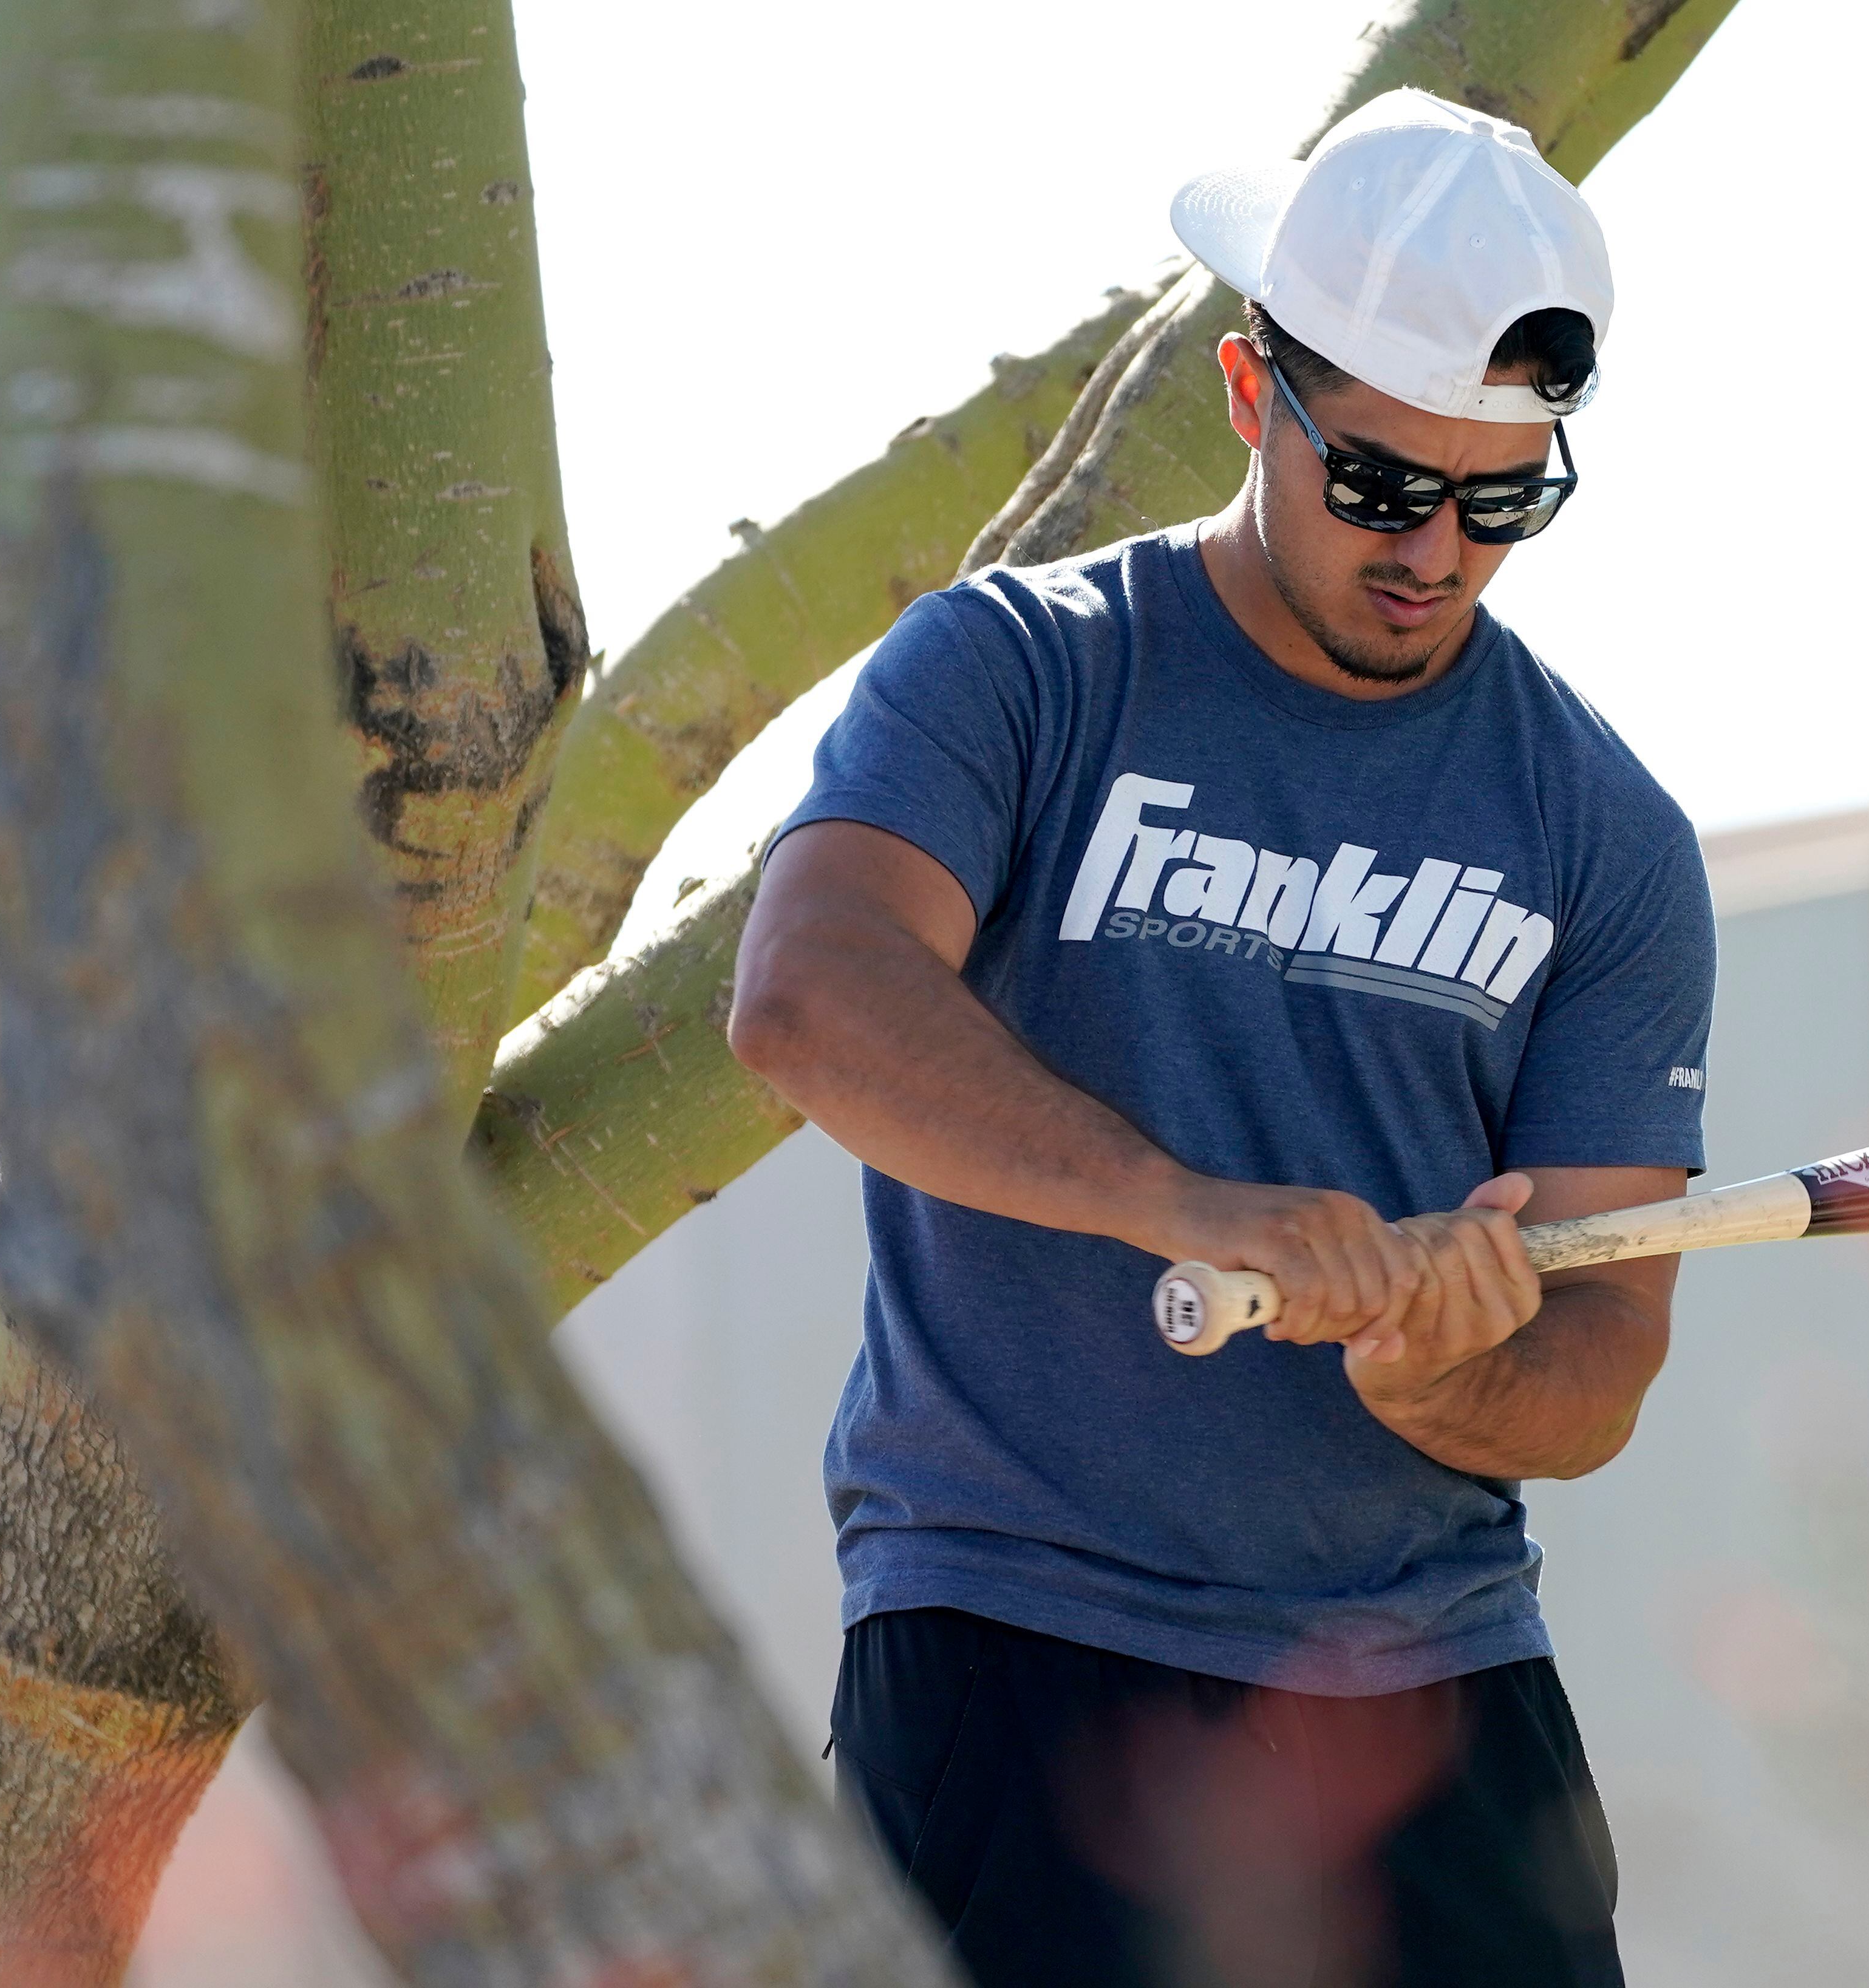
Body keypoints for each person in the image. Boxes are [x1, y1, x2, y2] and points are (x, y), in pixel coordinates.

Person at [731, 88, 1714, 1988]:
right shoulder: (1016, 670)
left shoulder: (1607, 834)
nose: (1437, 548)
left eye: (1501, 498)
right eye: (1381, 485)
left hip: (1433, 1687)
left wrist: (1440, 1374)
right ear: (1256, 397)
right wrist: (1196, 1206)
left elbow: (1599, 1367)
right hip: (1016, 1650)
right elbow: (807, 991)